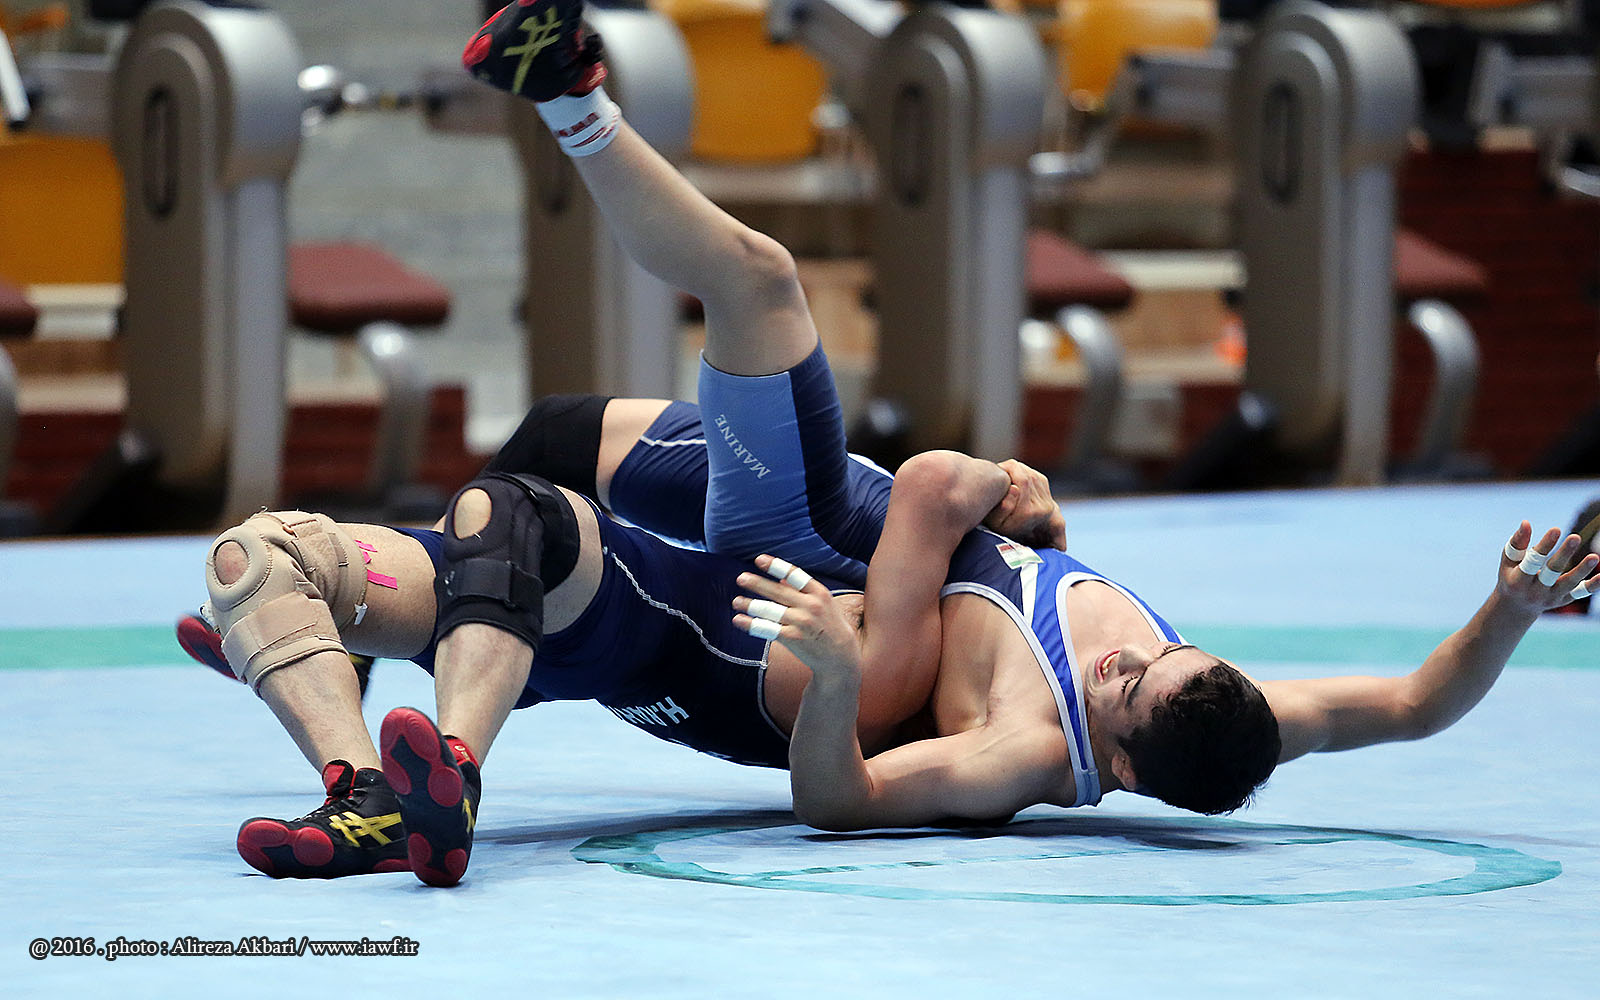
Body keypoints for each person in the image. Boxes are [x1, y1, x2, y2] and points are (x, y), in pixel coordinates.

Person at [200, 0, 1600, 889]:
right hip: (848, 544)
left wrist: (852, 655)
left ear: (1115, 762)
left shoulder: (1022, 750)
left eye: (1123, 689)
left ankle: (567, 91)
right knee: (556, 444)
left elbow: (842, 799)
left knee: (741, 300)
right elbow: (1412, 705)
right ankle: (369, 664)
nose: (1122, 657)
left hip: (822, 580)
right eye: (1158, 654)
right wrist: (1510, 608)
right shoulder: (1227, 712)